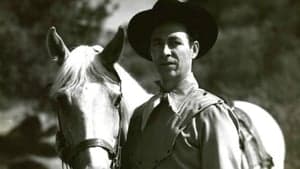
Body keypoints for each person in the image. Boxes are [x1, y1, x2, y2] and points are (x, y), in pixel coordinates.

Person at [121, 0, 242, 169]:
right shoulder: (140, 116)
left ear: (194, 49)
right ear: (151, 51)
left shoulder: (210, 114)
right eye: (157, 43)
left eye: (174, 42)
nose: (165, 51)